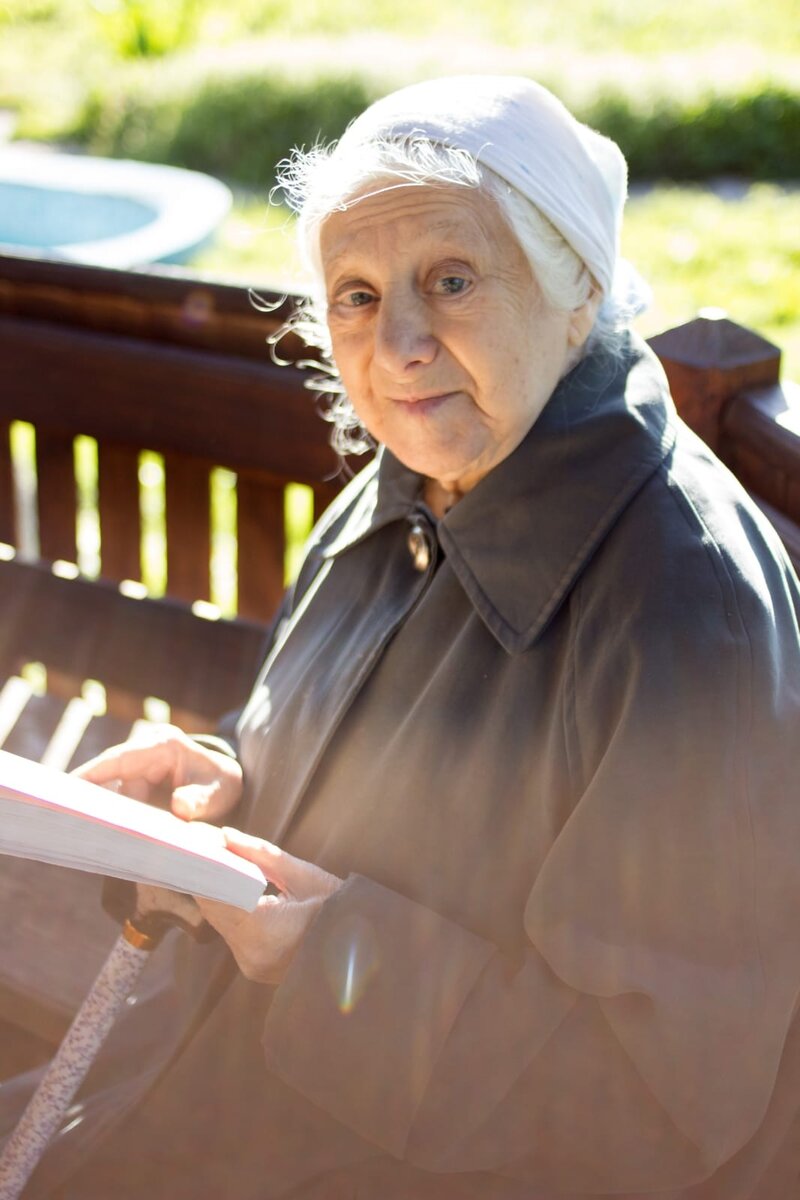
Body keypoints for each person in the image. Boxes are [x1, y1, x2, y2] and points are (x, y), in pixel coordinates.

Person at [38, 76, 800, 1198]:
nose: (397, 344)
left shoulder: (686, 608)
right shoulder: (413, 480)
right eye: (355, 294)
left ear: (579, 287)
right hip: (210, 1092)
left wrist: (322, 960)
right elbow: (347, 762)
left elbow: (656, 1108)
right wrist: (221, 778)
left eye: (451, 280)